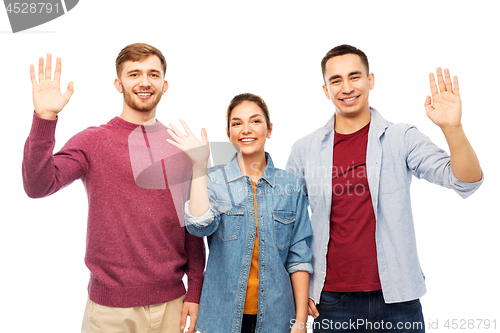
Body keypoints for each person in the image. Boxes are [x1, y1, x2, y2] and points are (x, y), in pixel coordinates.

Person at [286, 44, 483, 332]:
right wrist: (302, 292)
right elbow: (290, 225)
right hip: (331, 301)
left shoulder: (400, 137)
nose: (346, 87)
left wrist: (452, 128)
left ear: (371, 80)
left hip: (399, 301)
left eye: (354, 76)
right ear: (326, 90)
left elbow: (466, 180)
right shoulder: (305, 149)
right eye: (336, 80)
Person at [22, 43, 205, 333]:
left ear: (164, 84)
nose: (144, 82)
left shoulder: (181, 147)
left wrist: (195, 290)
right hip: (110, 312)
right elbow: (38, 185)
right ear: (118, 84)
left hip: (173, 305)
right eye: (134, 74)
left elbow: (192, 227)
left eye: (153, 74)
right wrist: (44, 119)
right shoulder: (93, 141)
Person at [166, 93, 313, 333]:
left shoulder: (291, 185)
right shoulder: (214, 180)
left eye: (255, 121)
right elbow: (199, 226)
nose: (246, 129)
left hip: (277, 318)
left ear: (270, 129)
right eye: (237, 123)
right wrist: (199, 166)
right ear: (228, 133)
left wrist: (299, 321)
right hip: (222, 319)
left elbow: (299, 257)